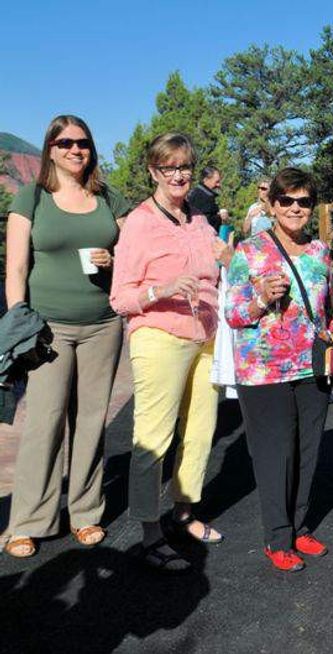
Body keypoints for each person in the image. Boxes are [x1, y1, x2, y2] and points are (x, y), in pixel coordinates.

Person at [2, 115, 131, 559]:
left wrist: (113, 258)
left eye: (83, 143)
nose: (76, 150)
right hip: (47, 328)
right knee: (44, 422)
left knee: (91, 420)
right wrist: (20, 316)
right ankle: (29, 521)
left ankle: (85, 512)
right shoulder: (31, 197)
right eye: (66, 142)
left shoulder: (106, 196)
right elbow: (16, 266)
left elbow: (133, 254)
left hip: (102, 324)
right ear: (50, 148)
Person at [110, 133, 230, 573]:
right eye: (168, 167)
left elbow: (215, 271)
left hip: (205, 337)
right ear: (152, 172)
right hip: (159, 336)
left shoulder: (198, 217)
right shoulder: (140, 223)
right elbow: (120, 297)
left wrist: (229, 257)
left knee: (200, 430)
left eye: (184, 167)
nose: (178, 175)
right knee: (153, 437)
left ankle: (184, 512)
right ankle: (148, 531)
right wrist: (161, 289)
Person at [225, 167, 333, 572]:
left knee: (308, 451)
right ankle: (277, 537)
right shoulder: (249, 251)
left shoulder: (321, 252)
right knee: (275, 455)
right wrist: (258, 301)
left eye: (303, 201)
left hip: (310, 367)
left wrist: (332, 340)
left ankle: (300, 526)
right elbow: (233, 314)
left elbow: (325, 310)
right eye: (286, 200)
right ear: (271, 204)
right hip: (263, 371)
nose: (294, 208)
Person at [187, 165, 223, 232]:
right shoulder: (201, 196)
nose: (219, 185)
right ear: (206, 180)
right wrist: (220, 217)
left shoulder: (202, 194)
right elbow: (204, 222)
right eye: (217, 182)